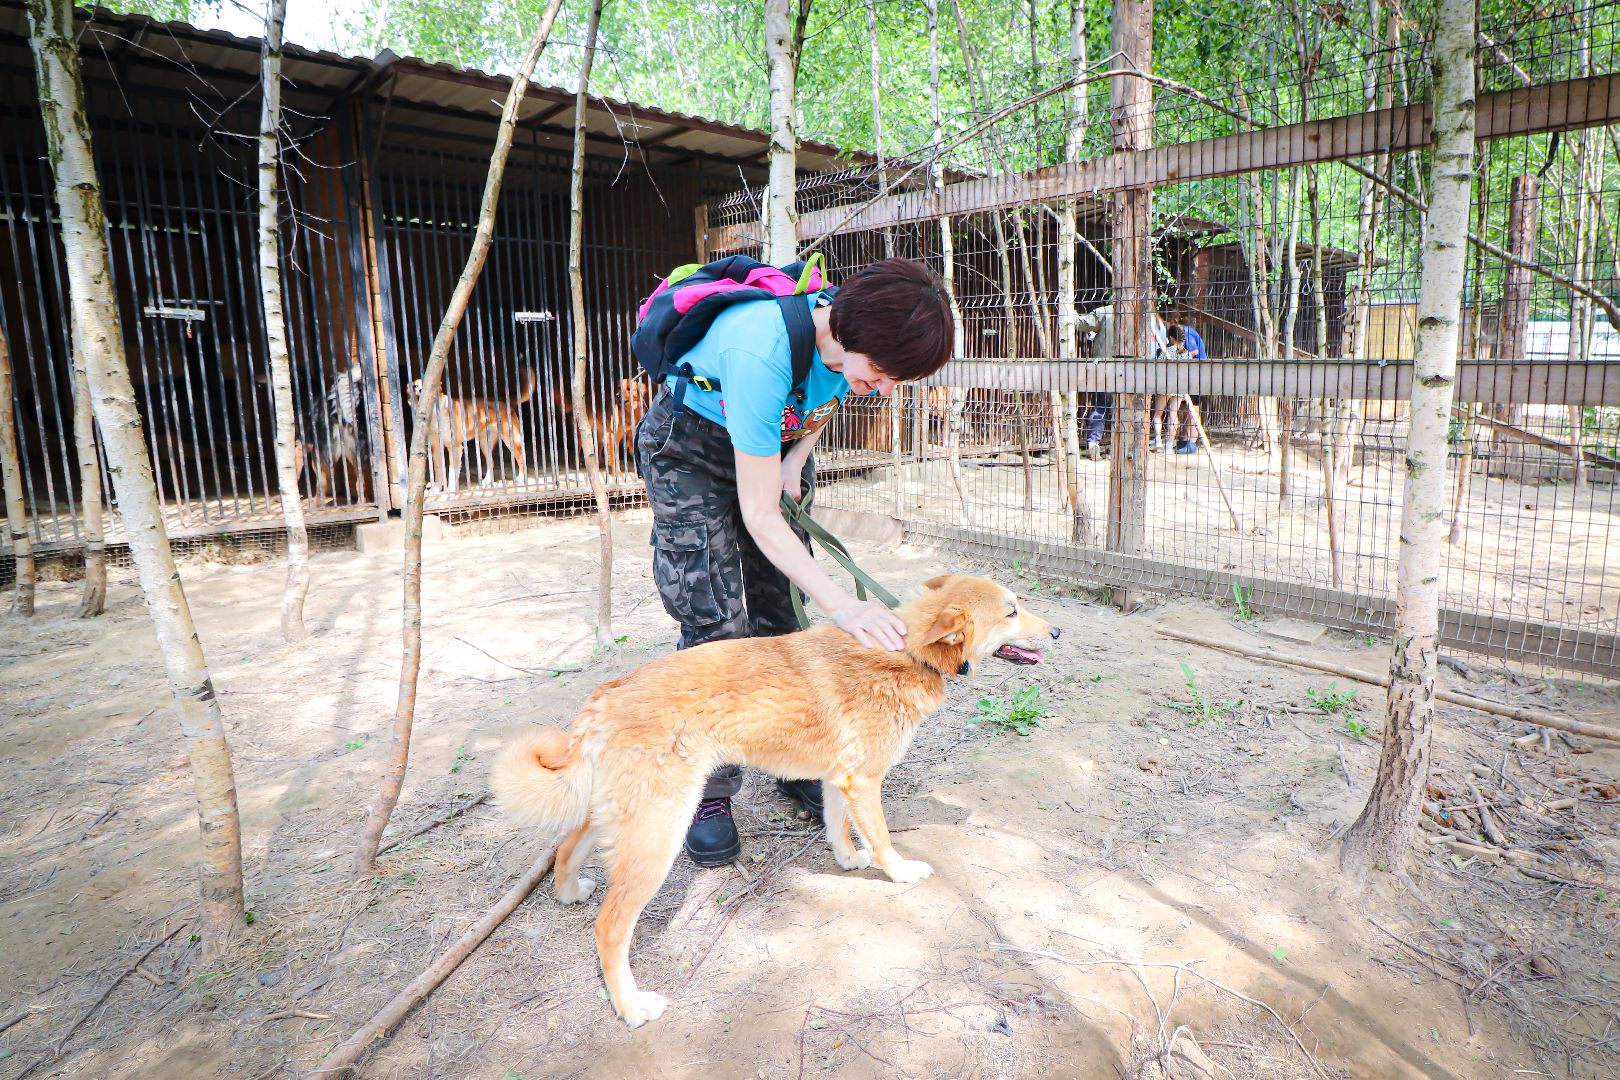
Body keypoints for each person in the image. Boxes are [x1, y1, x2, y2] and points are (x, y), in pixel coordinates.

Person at [635, 257, 956, 867]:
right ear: (850, 332)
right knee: (719, 626)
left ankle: (794, 755)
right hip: (693, 449)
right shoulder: (761, 346)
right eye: (885, 373)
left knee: (784, 612)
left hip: (769, 445)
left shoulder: (848, 345)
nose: (886, 390)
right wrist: (843, 603)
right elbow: (759, 516)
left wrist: (795, 454)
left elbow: (829, 395)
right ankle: (711, 789)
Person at [1074, 302, 1167, 459]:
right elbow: (1160, 345)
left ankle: (1093, 443)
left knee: (1100, 406)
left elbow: (1080, 324)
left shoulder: (1106, 312)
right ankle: (1118, 446)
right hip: (1133, 372)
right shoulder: (1147, 318)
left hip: (1104, 368)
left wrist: (1072, 313)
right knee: (1124, 409)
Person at [1154, 322, 1207, 455]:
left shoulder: (1166, 351)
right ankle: (1169, 446)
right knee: (1173, 414)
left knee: (1158, 414)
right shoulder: (1188, 354)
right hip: (1179, 388)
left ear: (1171, 338)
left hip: (1166, 386)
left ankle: (1158, 441)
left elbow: (1159, 368)